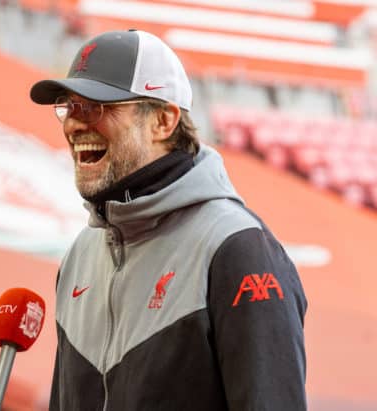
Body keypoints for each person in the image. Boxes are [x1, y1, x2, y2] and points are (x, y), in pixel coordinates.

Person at [30, 29, 307, 411]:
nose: (73, 124)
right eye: (68, 106)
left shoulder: (236, 248)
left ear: (163, 120)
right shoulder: (80, 254)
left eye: (95, 106)